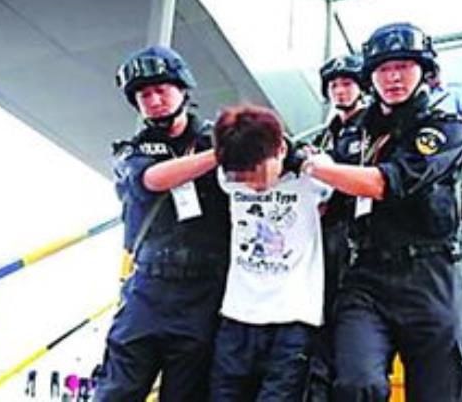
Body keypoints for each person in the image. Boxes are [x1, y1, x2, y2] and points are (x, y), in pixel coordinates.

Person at [301, 23, 462, 401]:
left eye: (404, 66)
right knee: (355, 384)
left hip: (430, 274)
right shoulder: (353, 134)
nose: (393, 77)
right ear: (370, 77)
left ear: (424, 71)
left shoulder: (444, 130)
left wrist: (313, 167)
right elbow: (332, 200)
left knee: (441, 391)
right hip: (366, 276)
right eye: (383, 69)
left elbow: (386, 183)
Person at [93, 45, 231, 402]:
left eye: (161, 90)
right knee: (116, 392)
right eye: (144, 95)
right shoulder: (132, 151)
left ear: (183, 89)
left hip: (206, 292)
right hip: (149, 289)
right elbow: (150, 180)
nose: (154, 101)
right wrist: (222, 154)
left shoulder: (220, 136)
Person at [209, 104, 333, 401]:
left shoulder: (314, 177)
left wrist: (307, 161)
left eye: (259, 173)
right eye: (243, 177)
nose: (253, 184)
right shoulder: (228, 176)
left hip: (293, 318)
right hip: (237, 315)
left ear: (280, 150)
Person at [307, 54, 368, 402]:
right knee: (321, 321)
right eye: (333, 86)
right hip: (324, 238)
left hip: (359, 237)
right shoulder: (323, 137)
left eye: (346, 83)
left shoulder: (373, 129)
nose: (340, 91)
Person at [425, 64, 462, 224]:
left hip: (455, 142)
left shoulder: (454, 92)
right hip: (433, 146)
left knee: (458, 177)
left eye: (432, 75)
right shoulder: (424, 96)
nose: (430, 79)